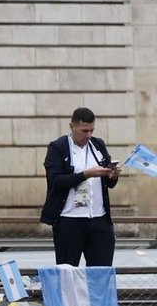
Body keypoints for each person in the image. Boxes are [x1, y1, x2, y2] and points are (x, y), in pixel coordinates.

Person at [41, 107, 122, 267]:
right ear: (72, 126)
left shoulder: (97, 145)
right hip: (69, 220)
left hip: (98, 219)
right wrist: (86, 174)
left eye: (91, 130)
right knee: (67, 272)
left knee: (101, 272)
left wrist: (112, 175)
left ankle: (99, 293)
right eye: (84, 131)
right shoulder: (58, 147)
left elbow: (109, 183)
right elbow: (56, 181)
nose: (88, 135)